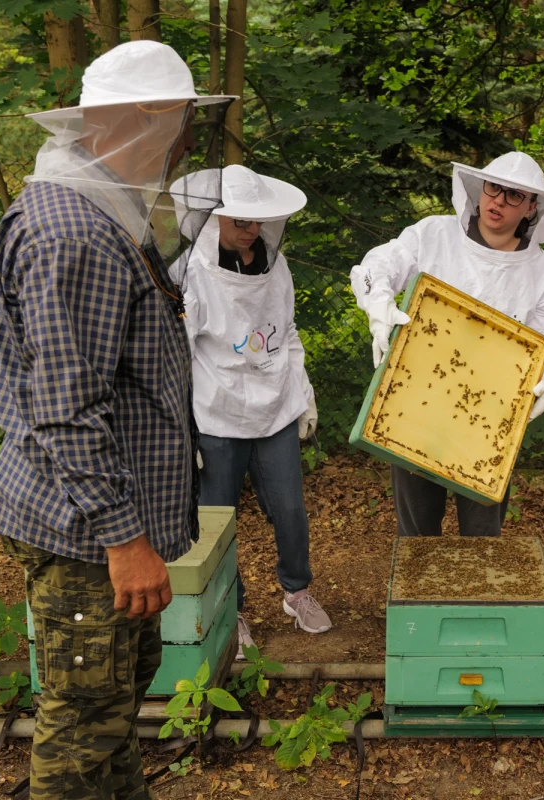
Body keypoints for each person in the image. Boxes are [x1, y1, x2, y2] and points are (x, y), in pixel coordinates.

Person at [0, 41, 232, 798]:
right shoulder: (74, 232)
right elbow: (67, 410)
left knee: (115, 703)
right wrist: (124, 539)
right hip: (84, 533)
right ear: (144, 122)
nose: (189, 138)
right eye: (184, 121)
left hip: (102, 526)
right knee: (85, 720)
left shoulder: (94, 207)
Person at [349, 152, 544, 536]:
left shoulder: (541, 270)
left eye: (515, 196)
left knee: (483, 537)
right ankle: (419, 595)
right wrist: (379, 307)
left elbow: (541, 340)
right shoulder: (433, 235)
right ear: (479, 188)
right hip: (416, 403)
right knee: (417, 534)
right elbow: (377, 265)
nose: (499, 201)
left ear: (532, 207)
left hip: (489, 418)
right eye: (494, 188)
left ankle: (477, 599)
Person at [171, 164, 329, 654]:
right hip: (217, 415)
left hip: (275, 409)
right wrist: (184, 430)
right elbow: (177, 353)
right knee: (217, 519)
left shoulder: (275, 265)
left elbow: (288, 331)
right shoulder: (189, 272)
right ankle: (230, 609)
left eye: (258, 220)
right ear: (215, 217)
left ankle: (296, 591)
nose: (252, 230)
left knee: (290, 510)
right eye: (241, 221)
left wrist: (303, 393)